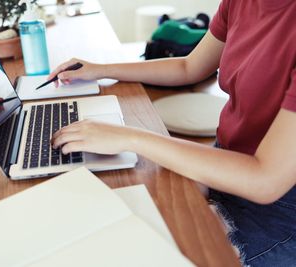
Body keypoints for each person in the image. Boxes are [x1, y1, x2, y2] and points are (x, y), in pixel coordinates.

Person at [50, 0, 296, 266]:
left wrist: (129, 137)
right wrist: (102, 70)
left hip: (279, 207)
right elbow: (189, 67)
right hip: (224, 163)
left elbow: (265, 180)